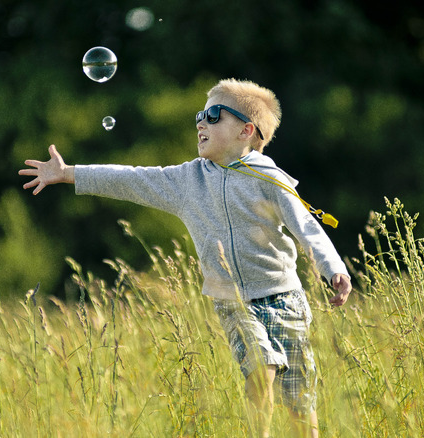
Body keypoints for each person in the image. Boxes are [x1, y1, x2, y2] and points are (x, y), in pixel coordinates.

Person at [19, 78, 352, 437]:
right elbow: (130, 180)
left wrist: (333, 269)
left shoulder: (270, 179)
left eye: (212, 115)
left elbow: (307, 228)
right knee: (260, 366)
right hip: (233, 300)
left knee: (300, 403)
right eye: (199, 115)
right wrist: (69, 174)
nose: (200, 123)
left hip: (286, 299)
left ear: (246, 130)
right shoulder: (187, 180)